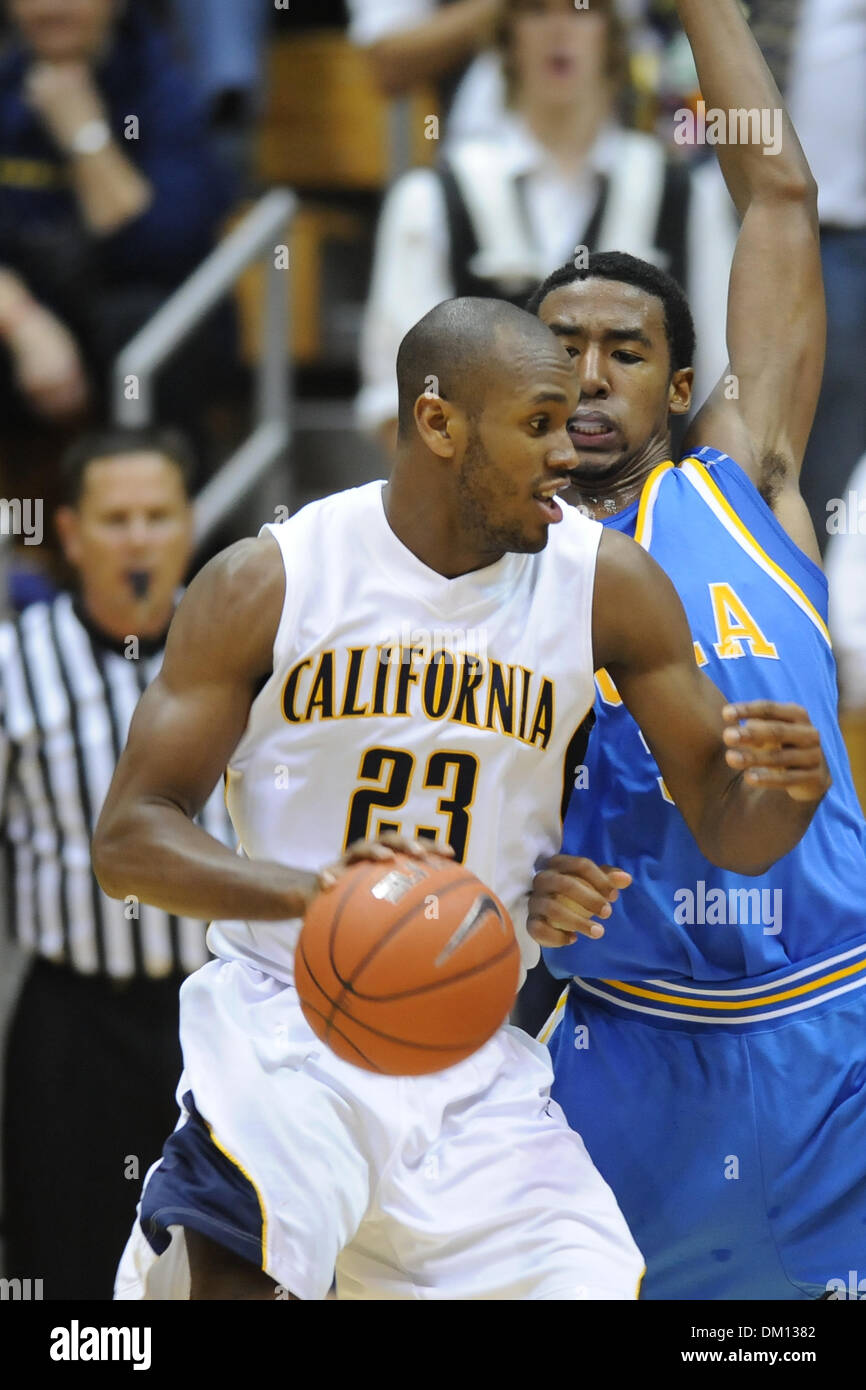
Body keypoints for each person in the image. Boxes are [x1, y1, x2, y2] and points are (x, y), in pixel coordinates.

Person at [92, 295, 828, 1301]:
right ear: (438, 423)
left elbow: (726, 822)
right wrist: (320, 902)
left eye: (568, 420)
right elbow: (129, 839)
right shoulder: (271, 580)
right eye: (535, 424)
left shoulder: (606, 584)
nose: (565, 452)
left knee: (587, 1280)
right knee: (247, 1258)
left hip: (473, 1041)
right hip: (287, 1021)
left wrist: (783, 797)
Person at [525, 0, 866, 1300]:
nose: (594, 375)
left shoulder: (746, 483)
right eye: (560, 352)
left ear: (682, 387)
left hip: (833, 1022)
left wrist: (701, 7)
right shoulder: (482, 582)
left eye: (627, 350)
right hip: (627, 1052)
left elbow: (777, 193)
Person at [0, 426, 234, 1300]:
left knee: (234, 1265)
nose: (138, 537)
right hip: (75, 1026)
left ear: (189, 524)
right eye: (116, 518)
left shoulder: (255, 656)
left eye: (157, 515)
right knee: (67, 1270)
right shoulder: (16, 663)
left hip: (222, 1013)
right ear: (70, 533)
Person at [357, 0, 735, 456]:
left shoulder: (687, 196)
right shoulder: (431, 198)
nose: (559, 30)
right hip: (485, 516)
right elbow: (396, 404)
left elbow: (721, 389)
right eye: (535, 9)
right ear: (504, 33)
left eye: (583, 10)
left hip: (644, 516)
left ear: (614, 33)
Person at [0, 0, 236, 548]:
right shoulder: (7, 85)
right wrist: (26, 325)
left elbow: (163, 246)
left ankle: (173, 572)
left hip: (146, 332)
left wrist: (83, 135)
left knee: (143, 329)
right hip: (37, 329)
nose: (52, 8)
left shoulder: (165, 87)